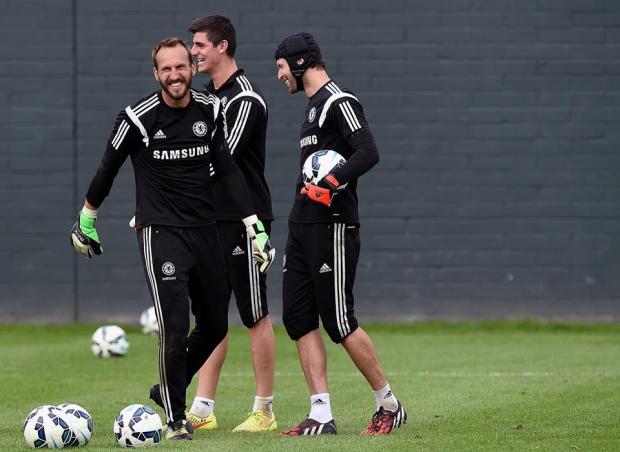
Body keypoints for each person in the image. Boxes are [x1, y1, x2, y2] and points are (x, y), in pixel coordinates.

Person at [70, 37, 275, 441]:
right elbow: (107, 168)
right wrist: (87, 218)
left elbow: (228, 169)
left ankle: (165, 388)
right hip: (161, 233)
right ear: (156, 74)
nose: (174, 75)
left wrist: (254, 224)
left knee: (215, 324)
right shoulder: (137, 117)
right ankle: (177, 417)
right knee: (175, 323)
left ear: (192, 69)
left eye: (181, 67)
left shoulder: (211, 109)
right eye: (166, 69)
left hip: (208, 231)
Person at [274, 33, 407, 436]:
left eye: (281, 67)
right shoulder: (312, 109)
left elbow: (368, 151)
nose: (280, 76)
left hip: (332, 226)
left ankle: (389, 404)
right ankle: (321, 415)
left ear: (299, 63)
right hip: (301, 226)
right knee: (297, 319)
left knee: (339, 320)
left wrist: (330, 182)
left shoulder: (338, 101)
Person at [181, 15, 277, 433]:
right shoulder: (206, 97)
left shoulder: (246, 100)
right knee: (211, 316)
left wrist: (171, 195)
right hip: (209, 220)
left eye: (200, 45)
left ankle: (265, 411)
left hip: (245, 220)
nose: (193, 52)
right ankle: (203, 410)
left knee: (254, 313)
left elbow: (219, 161)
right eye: (192, 45)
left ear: (222, 47)